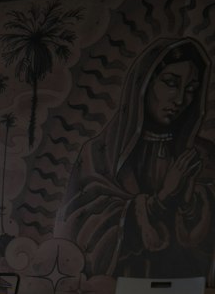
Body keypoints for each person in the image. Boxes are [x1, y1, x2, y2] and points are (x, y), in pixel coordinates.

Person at [54, 36, 215, 280]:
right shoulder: (101, 153)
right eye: (171, 83)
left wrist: (191, 203)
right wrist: (159, 201)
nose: (180, 100)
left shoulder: (202, 156)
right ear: (145, 83)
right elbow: (79, 227)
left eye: (191, 90)